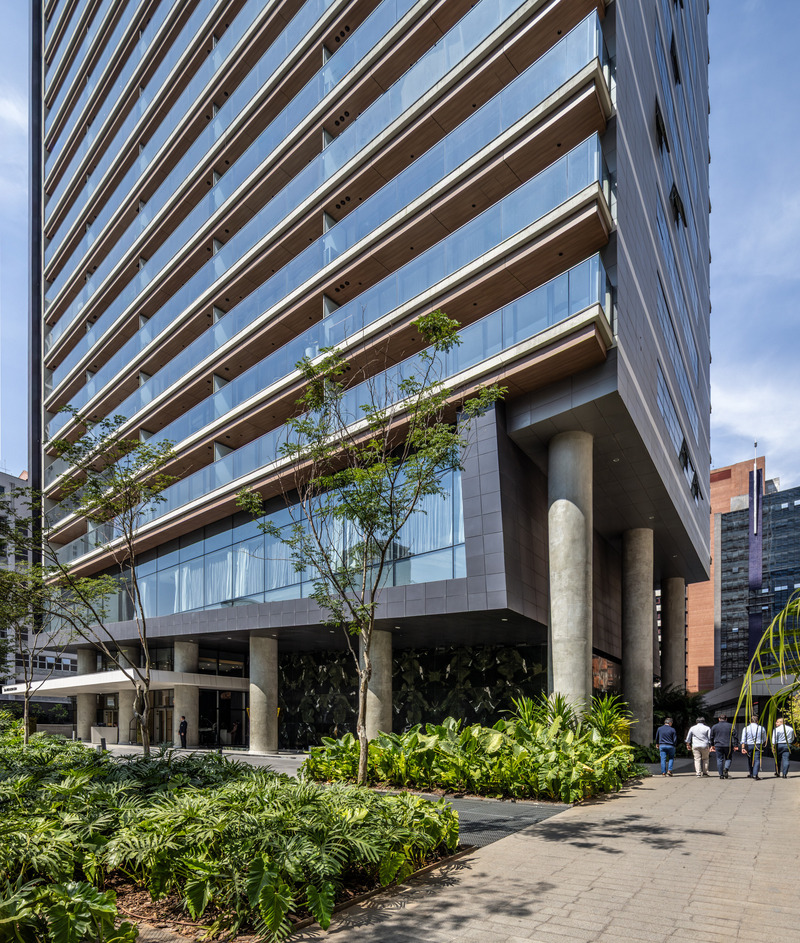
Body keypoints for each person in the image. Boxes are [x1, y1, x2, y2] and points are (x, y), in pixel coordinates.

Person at [709, 714, 738, 779]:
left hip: (718, 745)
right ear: (726, 719)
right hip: (728, 745)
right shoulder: (731, 726)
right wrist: (736, 745)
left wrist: (712, 745)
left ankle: (721, 775)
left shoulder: (714, 726)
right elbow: (735, 736)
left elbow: (711, 737)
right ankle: (726, 768)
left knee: (719, 759)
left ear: (719, 719)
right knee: (728, 758)